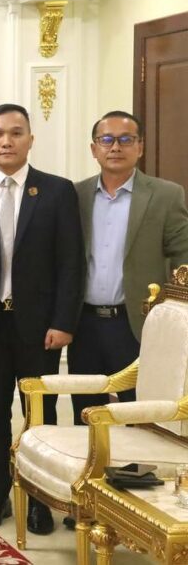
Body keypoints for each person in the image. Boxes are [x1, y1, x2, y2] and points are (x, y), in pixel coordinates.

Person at [0, 104, 83, 534]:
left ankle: (40, 499)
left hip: (40, 327)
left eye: (15, 133)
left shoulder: (57, 191)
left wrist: (63, 321)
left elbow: (70, 263)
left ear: (30, 140)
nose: (6, 141)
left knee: (40, 416)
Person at [68, 111, 188, 421]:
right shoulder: (75, 195)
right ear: (94, 148)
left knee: (140, 414)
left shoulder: (165, 195)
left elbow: (182, 257)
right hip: (84, 324)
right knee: (87, 413)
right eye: (106, 139)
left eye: (125, 139)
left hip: (137, 323)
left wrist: (175, 315)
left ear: (140, 147)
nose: (115, 147)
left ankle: (136, 457)